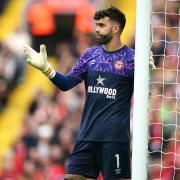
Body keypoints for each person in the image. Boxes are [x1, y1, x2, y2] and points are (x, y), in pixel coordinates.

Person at [24, 6, 156, 180]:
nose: (96, 29)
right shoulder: (90, 54)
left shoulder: (132, 59)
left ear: (116, 29)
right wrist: (46, 68)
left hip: (114, 139)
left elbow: (145, 96)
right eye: (96, 25)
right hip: (87, 136)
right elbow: (66, 83)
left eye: (102, 25)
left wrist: (148, 75)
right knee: (71, 177)